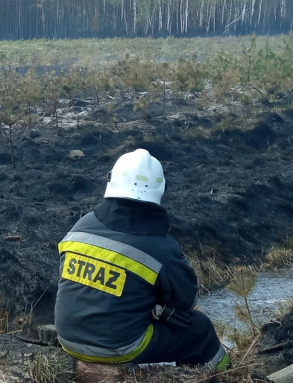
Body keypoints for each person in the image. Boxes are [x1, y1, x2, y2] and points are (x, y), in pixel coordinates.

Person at [54, 149, 229, 371]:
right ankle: (223, 374)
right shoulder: (160, 246)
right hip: (118, 346)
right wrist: (159, 308)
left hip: (67, 339)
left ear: (111, 180)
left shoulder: (81, 226)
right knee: (199, 329)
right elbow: (185, 300)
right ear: (161, 190)